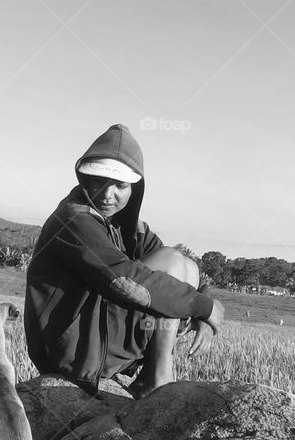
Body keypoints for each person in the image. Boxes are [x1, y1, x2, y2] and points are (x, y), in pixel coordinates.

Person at [24, 123, 225, 396]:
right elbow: (120, 279)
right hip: (71, 348)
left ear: (134, 188)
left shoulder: (127, 226)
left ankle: (149, 376)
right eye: (97, 182)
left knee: (184, 265)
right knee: (173, 265)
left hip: (100, 337)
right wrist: (203, 306)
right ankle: (158, 377)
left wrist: (202, 300)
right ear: (84, 180)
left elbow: (174, 268)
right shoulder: (73, 219)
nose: (107, 195)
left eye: (119, 185)